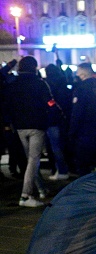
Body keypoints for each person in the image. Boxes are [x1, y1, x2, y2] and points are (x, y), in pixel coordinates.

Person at [2, 56, 52, 207]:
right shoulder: (40, 83)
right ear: (34, 67)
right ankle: (26, 195)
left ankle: (41, 189)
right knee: (33, 160)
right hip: (37, 125)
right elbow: (50, 102)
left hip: (19, 126)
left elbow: (7, 104)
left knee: (31, 159)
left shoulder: (12, 84)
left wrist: (8, 123)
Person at [69, 63, 96, 176]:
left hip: (85, 132)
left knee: (83, 166)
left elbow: (77, 113)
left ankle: (86, 191)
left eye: (78, 71)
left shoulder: (81, 88)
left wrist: (72, 132)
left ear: (83, 73)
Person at [44, 63, 72, 180]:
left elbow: (48, 101)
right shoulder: (63, 83)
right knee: (62, 144)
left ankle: (59, 170)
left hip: (51, 119)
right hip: (63, 118)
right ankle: (67, 167)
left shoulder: (47, 84)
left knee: (54, 146)